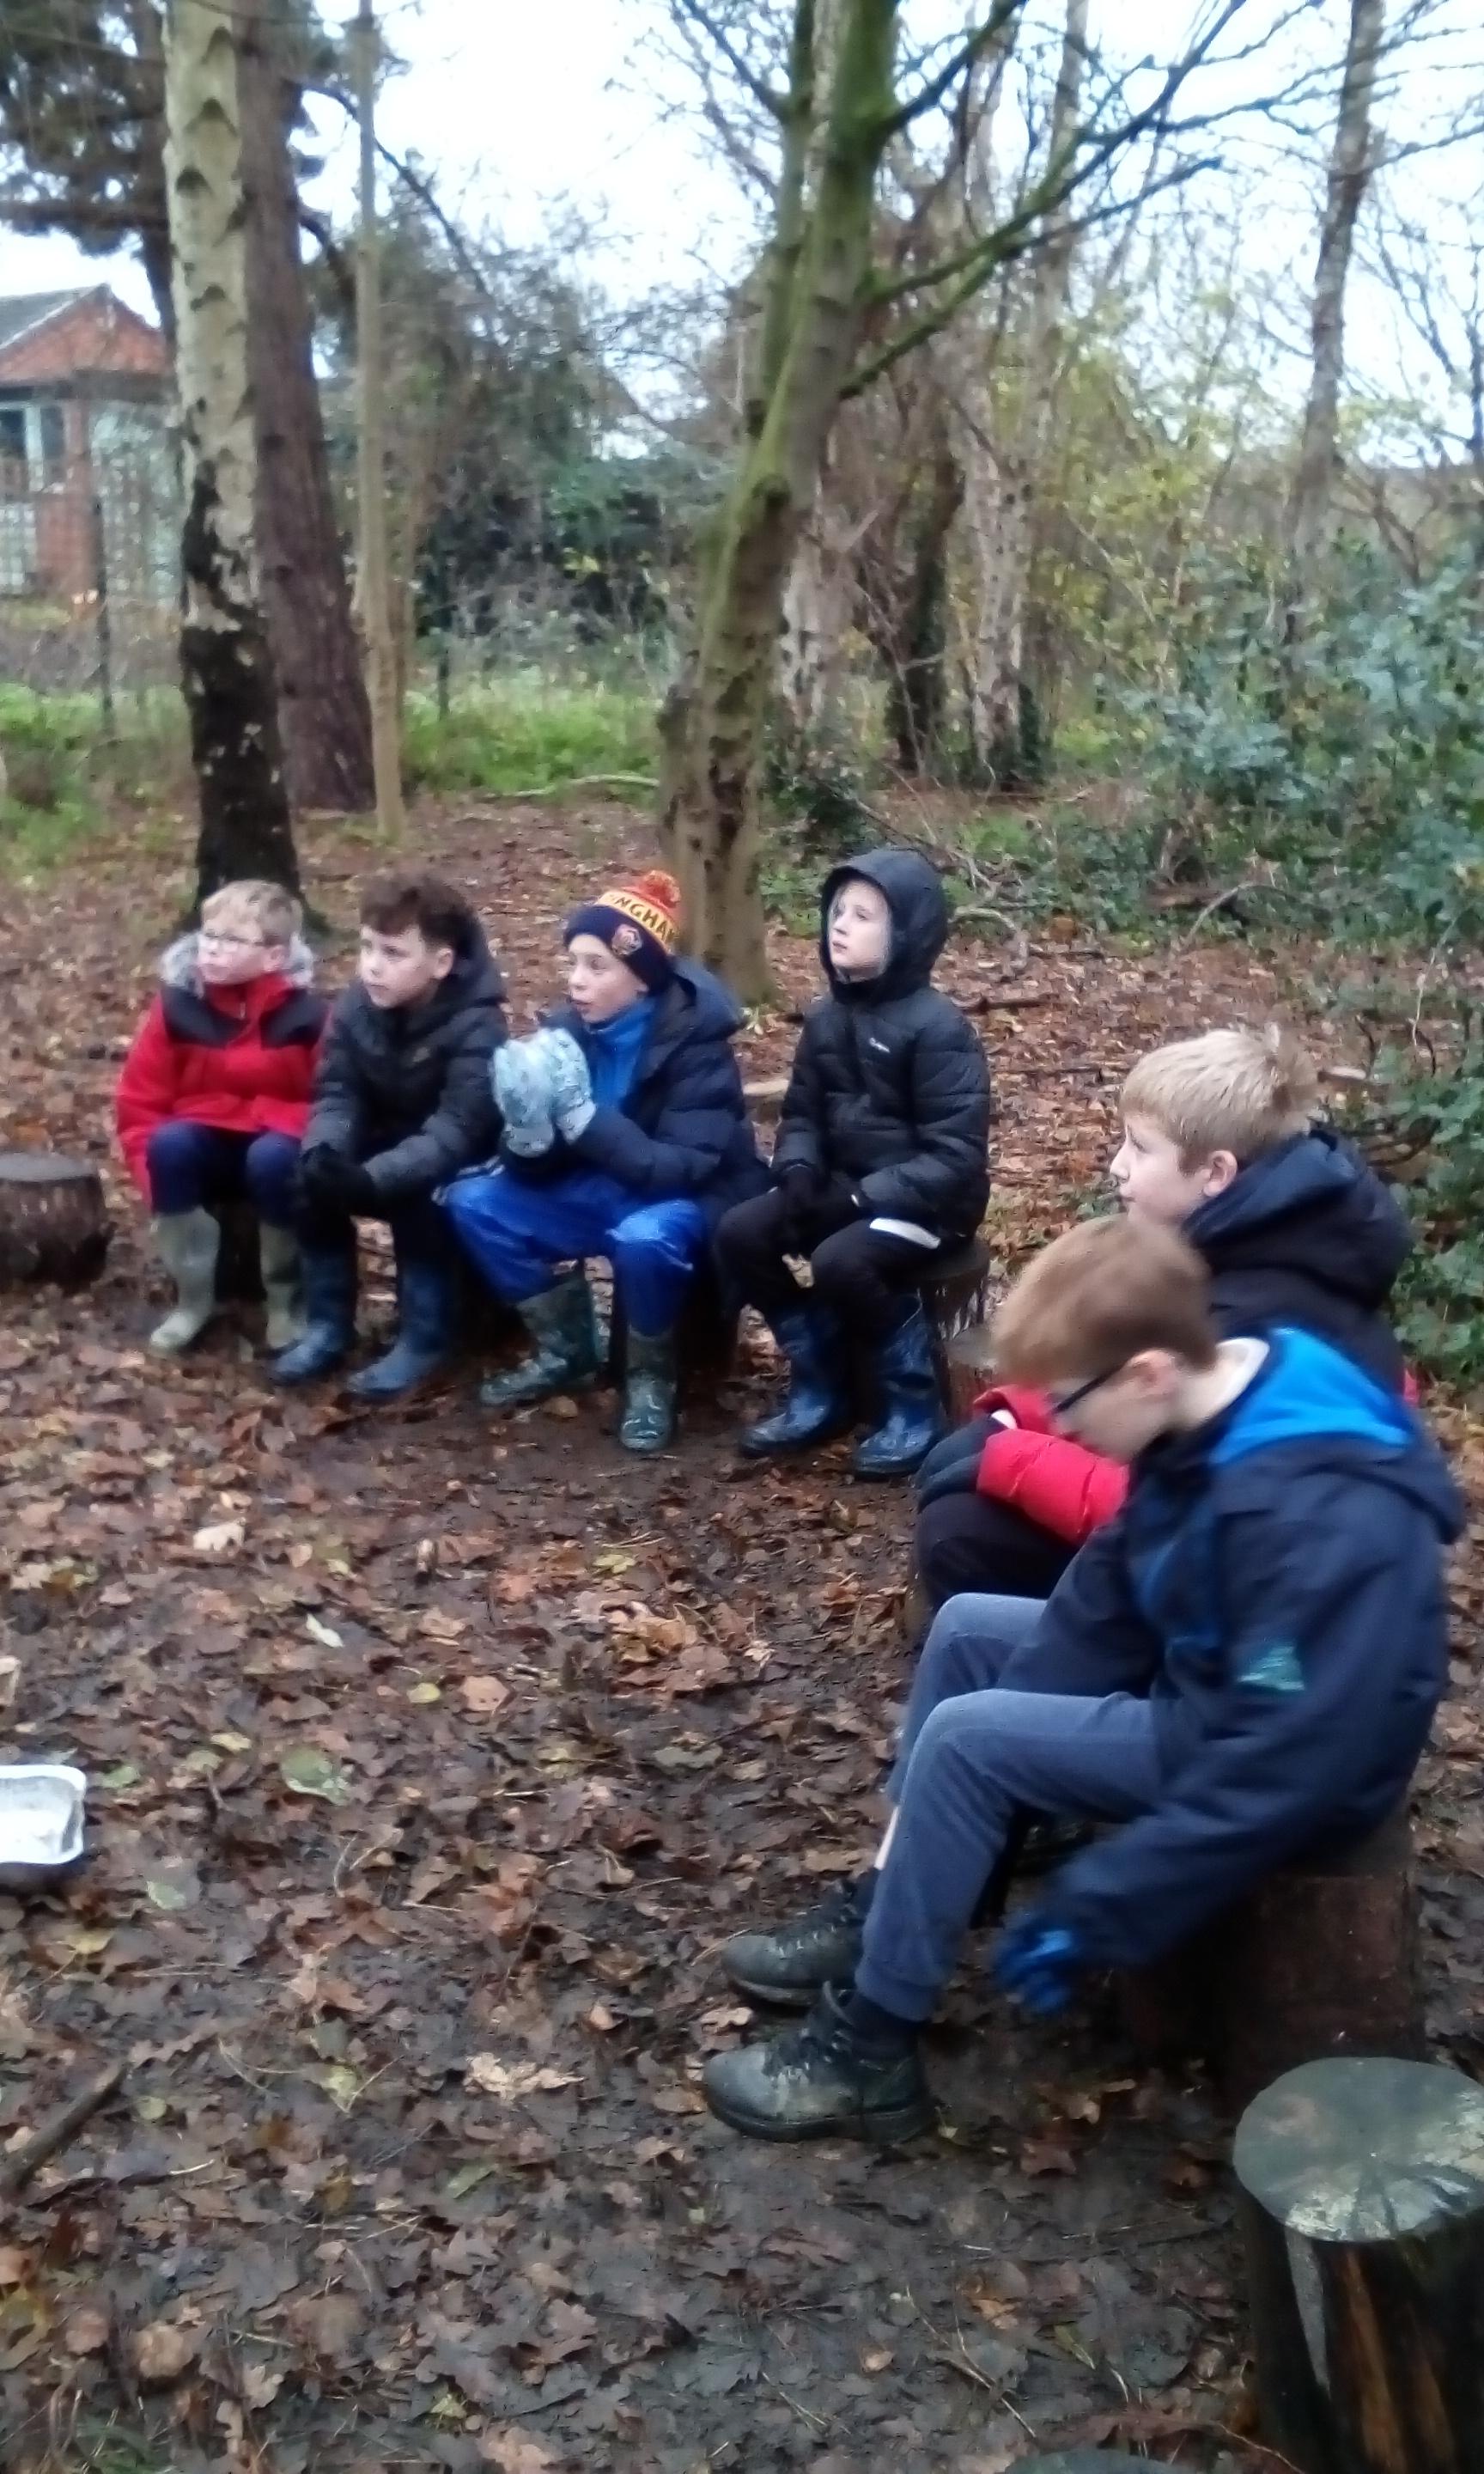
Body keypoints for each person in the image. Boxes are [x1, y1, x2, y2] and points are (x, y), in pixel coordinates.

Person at [702, 1215, 1460, 2144]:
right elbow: (1116, 1576)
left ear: (1148, 1373)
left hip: (1295, 1758)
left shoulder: (1305, 1521)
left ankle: (870, 2054)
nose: (1058, 1424)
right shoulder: (1219, 1398)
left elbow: (1284, 1762)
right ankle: (897, 1902)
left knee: (968, 1744)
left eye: (1069, 1401)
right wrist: (1029, 1720)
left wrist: (1106, 1905)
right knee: (970, 1633)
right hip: (1222, 1677)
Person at [913, 1023, 1413, 1618]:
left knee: (959, 1531)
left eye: (1140, 1148)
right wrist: (1019, 1413)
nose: (1117, 1166)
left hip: (1250, 1585)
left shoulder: (1265, 1313)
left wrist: (1015, 1460)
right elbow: (1122, 1355)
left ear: (1216, 1173)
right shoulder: (1241, 1235)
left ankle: (1051, 1664)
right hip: (1190, 1509)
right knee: (962, 1457)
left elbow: (1169, 1497)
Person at [445, 869, 767, 1453]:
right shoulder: (569, 1030)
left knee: (644, 1240)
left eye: (597, 966)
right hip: (602, 1184)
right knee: (476, 1202)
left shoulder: (698, 1042)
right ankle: (567, 1351)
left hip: (685, 1198)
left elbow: (680, 1168)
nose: (576, 981)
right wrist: (526, 1135)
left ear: (641, 979)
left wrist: (581, 1118)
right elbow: (541, 1161)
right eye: (573, 963)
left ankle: (650, 1381)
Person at [715, 849, 991, 1479]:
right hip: (846, 1186)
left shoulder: (939, 1030)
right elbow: (803, 1114)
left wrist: (863, 1198)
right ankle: (821, 1380)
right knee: (741, 1233)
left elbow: (955, 1155)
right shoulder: (826, 1017)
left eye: (864, 916)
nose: (840, 925)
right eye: (837, 911)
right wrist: (797, 1172)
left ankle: (913, 1401)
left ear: (907, 933)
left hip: (931, 1205)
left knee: (842, 1260)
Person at [272, 869, 507, 1398]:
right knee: (308, 1178)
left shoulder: (479, 1025)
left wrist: (373, 1179)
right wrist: (327, 1150)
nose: (373, 965)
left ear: (440, 963)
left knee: (423, 1200)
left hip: (459, 1161)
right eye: (367, 947)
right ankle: (328, 1324)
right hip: (387, 1141)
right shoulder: (359, 1005)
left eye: (394, 953)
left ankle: (424, 1338)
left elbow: (456, 1130)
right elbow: (338, 1090)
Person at [116, 879, 325, 1356]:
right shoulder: (176, 1006)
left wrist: (296, 1137)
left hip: (279, 1141)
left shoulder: (309, 1016)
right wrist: (155, 1181)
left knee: (274, 1157)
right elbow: (139, 1101)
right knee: (170, 1145)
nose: (211, 948)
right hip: (205, 1139)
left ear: (273, 956)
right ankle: (192, 1300)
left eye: (231, 940)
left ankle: (285, 1303)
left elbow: (331, 1100)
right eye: (208, 934)